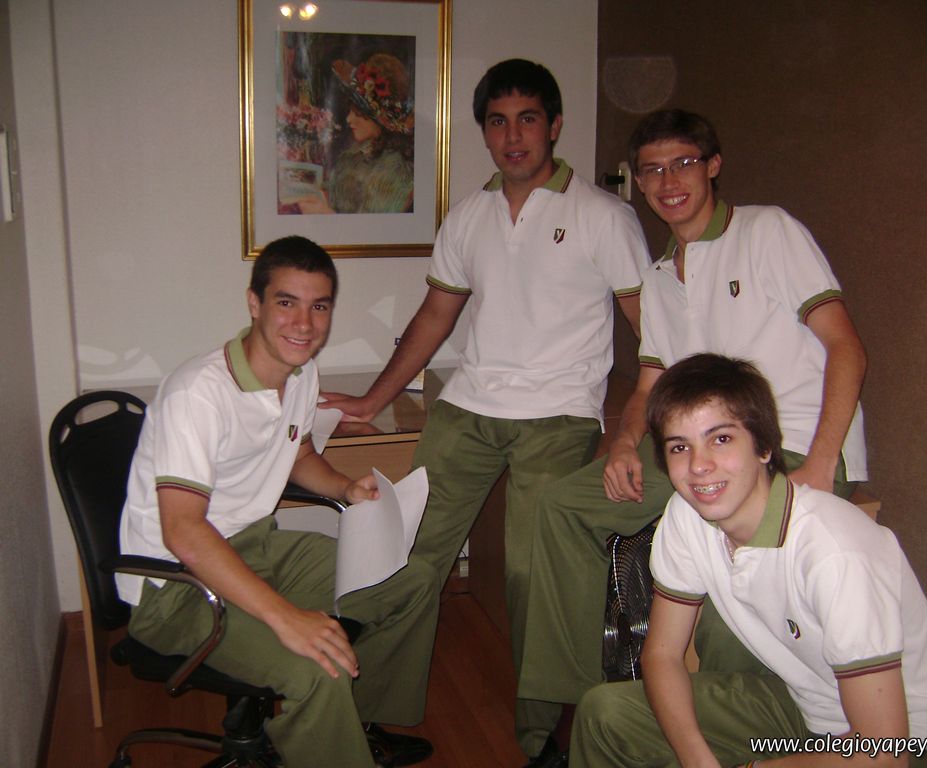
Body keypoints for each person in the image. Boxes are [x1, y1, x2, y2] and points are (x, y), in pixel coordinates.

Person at [320, 58, 650, 766]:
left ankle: (541, 738)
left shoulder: (603, 216)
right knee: (405, 550)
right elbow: (435, 316)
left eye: (527, 119)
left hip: (559, 415)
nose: (512, 136)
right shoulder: (468, 216)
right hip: (469, 407)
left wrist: (642, 427)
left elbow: (651, 331)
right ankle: (374, 716)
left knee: (531, 572)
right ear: (484, 132)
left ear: (554, 126)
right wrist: (375, 399)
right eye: (497, 122)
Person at [518, 109, 869, 765]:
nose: (668, 181)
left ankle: (732, 736)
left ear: (713, 166)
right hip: (695, 445)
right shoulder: (657, 277)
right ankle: (579, 706)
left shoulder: (767, 232)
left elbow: (846, 346)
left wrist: (823, 463)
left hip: (791, 445)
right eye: (652, 170)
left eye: (682, 163)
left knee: (736, 585)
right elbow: (650, 389)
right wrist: (627, 444)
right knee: (561, 506)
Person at [116, 236, 436, 768]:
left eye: (319, 306)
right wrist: (287, 618)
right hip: (176, 587)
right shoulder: (198, 395)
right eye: (287, 302)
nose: (304, 324)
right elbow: (184, 531)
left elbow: (298, 451)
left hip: (254, 546)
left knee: (412, 580)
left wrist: (344, 488)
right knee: (317, 665)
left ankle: (354, 725)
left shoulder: (301, 373)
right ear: (254, 303)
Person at [570, 353, 927, 768]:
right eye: (679, 447)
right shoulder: (687, 516)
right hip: (808, 706)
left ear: (763, 446)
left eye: (721, 439)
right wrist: (698, 759)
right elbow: (662, 654)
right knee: (606, 716)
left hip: (912, 739)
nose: (699, 465)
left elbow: (885, 755)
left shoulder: (836, 553)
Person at [300, 52, 415, 214]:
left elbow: (376, 227)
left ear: (379, 120)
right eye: (350, 110)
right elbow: (334, 192)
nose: (349, 119)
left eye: (358, 113)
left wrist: (325, 214)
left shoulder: (395, 170)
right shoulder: (354, 154)